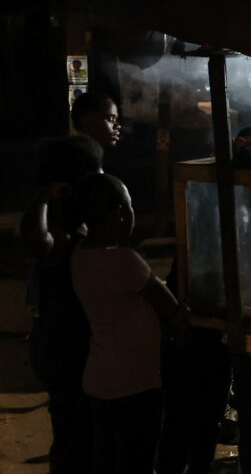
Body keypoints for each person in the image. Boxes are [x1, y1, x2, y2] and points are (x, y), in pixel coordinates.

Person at [18, 91, 123, 474]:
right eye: (111, 118)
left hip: (76, 343)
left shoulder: (83, 228)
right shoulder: (62, 234)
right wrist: (43, 199)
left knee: (89, 433)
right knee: (74, 434)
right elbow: (35, 240)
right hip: (64, 344)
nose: (118, 127)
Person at [70, 173, 189, 474]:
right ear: (119, 213)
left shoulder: (79, 255)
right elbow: (173, 313)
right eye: (131, 205)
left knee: (108, 462)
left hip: (99, 381)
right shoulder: (125, 261)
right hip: (135, 384)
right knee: (137, 461)